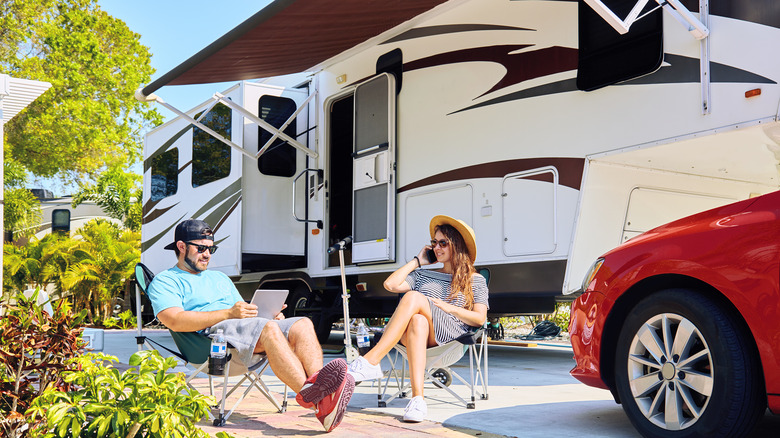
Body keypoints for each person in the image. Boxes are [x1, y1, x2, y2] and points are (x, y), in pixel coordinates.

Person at [147, 219, 353, 432]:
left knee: (302, 323)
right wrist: (230, 314)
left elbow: (244, 311)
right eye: (201, 249)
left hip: (247, 332)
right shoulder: (166, 281)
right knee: (268, 329)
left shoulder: (219, 278)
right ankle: (319, 401)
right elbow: (173, 320)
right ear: (181, 247)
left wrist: (266, 314)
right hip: (212, 342)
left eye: (211, 249)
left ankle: (321, 392)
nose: (207, 254)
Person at [347, 215, 489, 422]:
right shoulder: (424, 275)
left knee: (413, 296)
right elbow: (391, 285)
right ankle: (417, 400)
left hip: (451, 340)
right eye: (434, 242)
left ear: (457, 245)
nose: (437, 247)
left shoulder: (475, 280)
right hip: (417, 339)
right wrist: (417, 261)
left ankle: (371, 360)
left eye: (443, 243)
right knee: (417, 321)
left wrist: (449, 308)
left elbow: (479, 318)